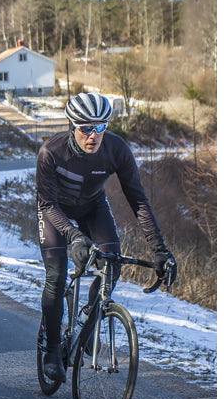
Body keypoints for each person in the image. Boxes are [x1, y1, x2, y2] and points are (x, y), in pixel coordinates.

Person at [36, 93, 177, 383]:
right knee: (57, 275)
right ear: (71, 126)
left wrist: (160, 250)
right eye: (86, 128)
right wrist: (73, 235)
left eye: (101, 127)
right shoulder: (51, 152)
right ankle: (51, 351)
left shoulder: (116, 150)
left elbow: (138, 202)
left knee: (112, 261)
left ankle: (91, 317)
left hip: (92, 206)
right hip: (56, 212)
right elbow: (48, 205)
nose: (94, 135)